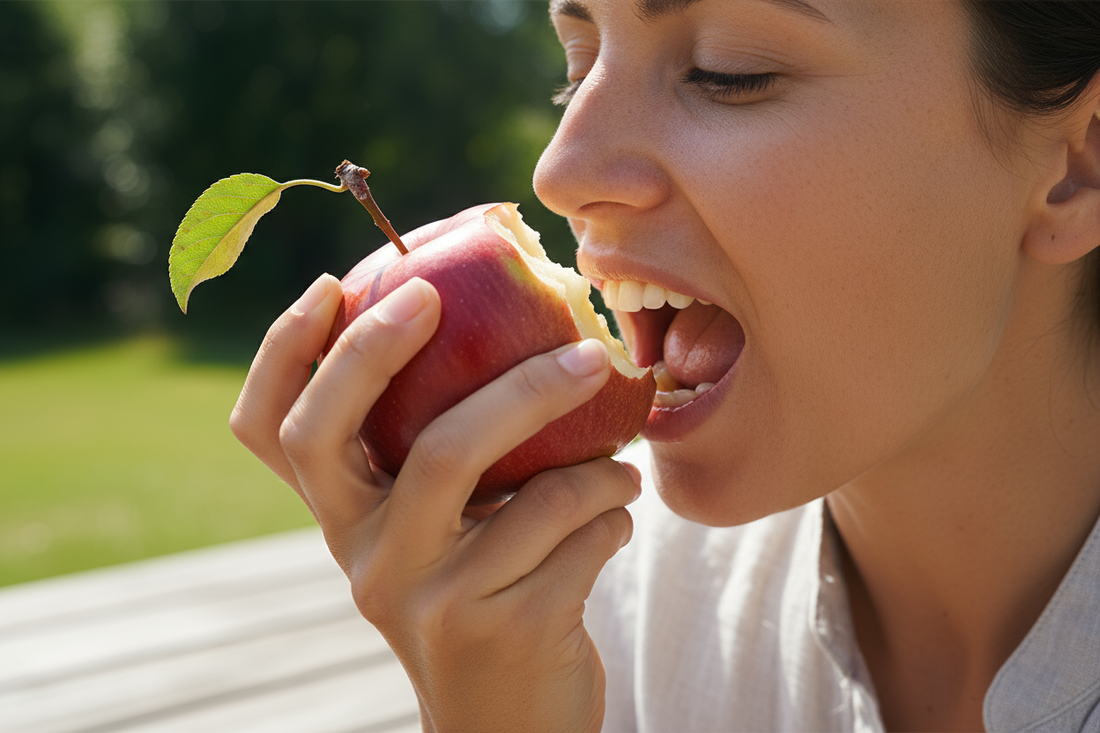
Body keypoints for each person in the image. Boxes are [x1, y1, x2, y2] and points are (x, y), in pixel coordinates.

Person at [229, 0, 1100, 730]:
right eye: (576, 66)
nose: (559, 170)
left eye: (729, 69)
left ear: (1079, 164)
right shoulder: (586, 625)